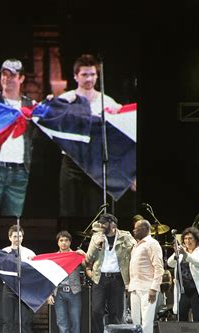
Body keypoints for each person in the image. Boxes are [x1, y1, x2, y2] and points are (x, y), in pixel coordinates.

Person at [58, 54, 123, 217]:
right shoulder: (65, 99)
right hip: (71, 162)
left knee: (96, 211)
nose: (89, 78)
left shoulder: (107, 101)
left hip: (96, 162)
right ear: (75, 76)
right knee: (69, 211)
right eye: (85, 74)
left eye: (93, 74)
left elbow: (120, 132)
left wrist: (118, 113)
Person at [0, 59, 36, 216]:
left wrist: (53, 101)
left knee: (14, 224)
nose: (7, 78)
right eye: (4, 74)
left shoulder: (31, 105)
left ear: (21, 78)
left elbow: (52, 115)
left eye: (12, 75)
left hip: (20, 173)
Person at [84, 213, 136, 333]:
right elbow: (88, 259)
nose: (101, 225)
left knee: (116, 313)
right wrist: (96, 244)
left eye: (104, 223)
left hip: (117, 279)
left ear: (113, 224)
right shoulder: (96, 237)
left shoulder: (125, 236)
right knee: (96, 311)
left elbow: (135, 250)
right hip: (100, 278)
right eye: (100, 223)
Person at [167, 227, 199, 322]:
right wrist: (176, 254)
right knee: (181, 317)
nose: (187, 241)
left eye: (190, 238)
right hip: (183, 291)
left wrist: (186, 254)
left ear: (196, 240)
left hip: (196, 291)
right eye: (185, 238)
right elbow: (170, 263)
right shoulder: (181, 252)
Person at [128, 219, 164, 333]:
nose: (133, 230)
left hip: (147, 288)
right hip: (135, 287)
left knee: (147, 321)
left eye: (136, 228)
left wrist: (154, 288)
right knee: (135, 320)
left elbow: (159, 268)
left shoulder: (152, 243)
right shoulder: (137, 245)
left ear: (144, 229)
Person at [0, 224, 36, 333]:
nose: (17, 239)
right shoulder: (3, 252)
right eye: (15, 236)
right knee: (7, 320)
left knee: (24, 321)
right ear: (10, 237)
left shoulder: (29, 253)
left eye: (20, 236)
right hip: (9, 287)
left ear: (23, 237)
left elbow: (36, 271)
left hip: (24, 289)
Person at [47, 231, 84, 333]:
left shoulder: (76, 255)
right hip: (59, 293)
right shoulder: (54, 258)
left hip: (74, 292)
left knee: (75, 322)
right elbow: (49, 276)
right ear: (58, 242)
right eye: (61, 240)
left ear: (70, 242)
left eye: (66, 240)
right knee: (62, 323)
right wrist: (49, 294)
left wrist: (83, 254)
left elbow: (88, 264)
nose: (64, 243)